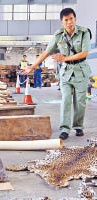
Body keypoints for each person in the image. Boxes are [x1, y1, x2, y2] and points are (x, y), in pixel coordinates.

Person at [22, 8, 91, 140]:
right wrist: (32, 66)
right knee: (65, 100)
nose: (69, 22)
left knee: (80, 102)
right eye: (66, 20)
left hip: (81, 71)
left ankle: (78, 127)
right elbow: (46, 52)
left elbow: (84, 53)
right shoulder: (58, 35)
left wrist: (64, 58)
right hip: (66, 73)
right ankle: (64, 129)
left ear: (75, 19)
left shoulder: (84, 33)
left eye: (71, 19)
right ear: (62, 22)